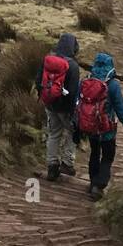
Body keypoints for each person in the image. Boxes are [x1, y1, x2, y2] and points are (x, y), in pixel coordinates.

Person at [74, 51, 123, 200]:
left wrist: (76, 126)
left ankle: (92, 182)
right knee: (108, 156)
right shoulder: (113, 85)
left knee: (94, 153)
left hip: (91, 128)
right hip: (107, 129)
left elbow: (77, 105)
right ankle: (99, 185)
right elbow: (121, 109)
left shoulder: (84, 82)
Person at [36, 32, 81, 181]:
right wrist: (72, 111)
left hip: (50, 104)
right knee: (73, 133)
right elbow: (73, 92)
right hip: (65, 108)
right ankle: (67, 163)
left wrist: (44, 98)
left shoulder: (47, 61)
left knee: (54, 134)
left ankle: (52, 166)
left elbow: (38, 82)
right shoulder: (73, 66)